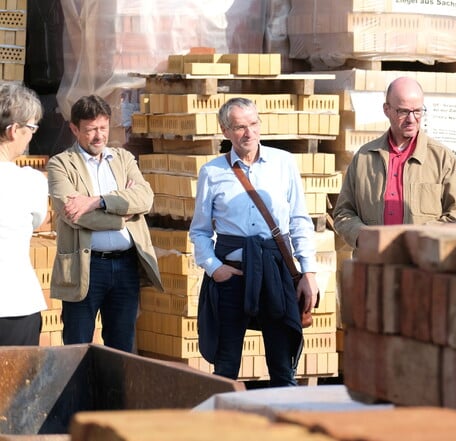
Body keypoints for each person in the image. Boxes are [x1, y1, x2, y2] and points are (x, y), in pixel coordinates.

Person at [189, 97, 318, 384]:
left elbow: (299, 220)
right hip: (231, 276)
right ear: (225, 131)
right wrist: (213, 267)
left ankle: (285, 426)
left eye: (254, 124)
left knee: (283, 366)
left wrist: (308, 272)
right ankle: (222, 426)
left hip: (275, 270)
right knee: (225, 367)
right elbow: (199, 231)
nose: (249, 133)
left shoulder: (283, 162)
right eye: (239, 127)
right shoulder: (212, 172)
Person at [47, 95, 163, 352]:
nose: (99, 136)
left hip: (125, 266)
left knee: (121, 348)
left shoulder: (123, 158)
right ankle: (79, 394)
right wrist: (123, 215)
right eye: (90, 130)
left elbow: (145, 198)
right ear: (74, 129)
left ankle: (114, 394)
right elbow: (73, 214)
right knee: (77, 348)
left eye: (103, 127)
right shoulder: (61, 164)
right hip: (85, 266)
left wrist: (97, 201)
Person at [333, 76, 456, 248]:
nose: (411, 119)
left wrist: (419, 237)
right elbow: (343, 213)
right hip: (374, 265)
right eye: (403, 111)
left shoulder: (443, 159)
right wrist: (363, 236)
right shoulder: (364, 158)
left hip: (422, 267)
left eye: (417, 111)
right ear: (387, 110)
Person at [0, 83, 48, 346]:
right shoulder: (31, 181)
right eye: (30, 128)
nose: (31, 135)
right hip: (15, 303)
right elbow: (37, 221)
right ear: (12, 130)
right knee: (19, 386)